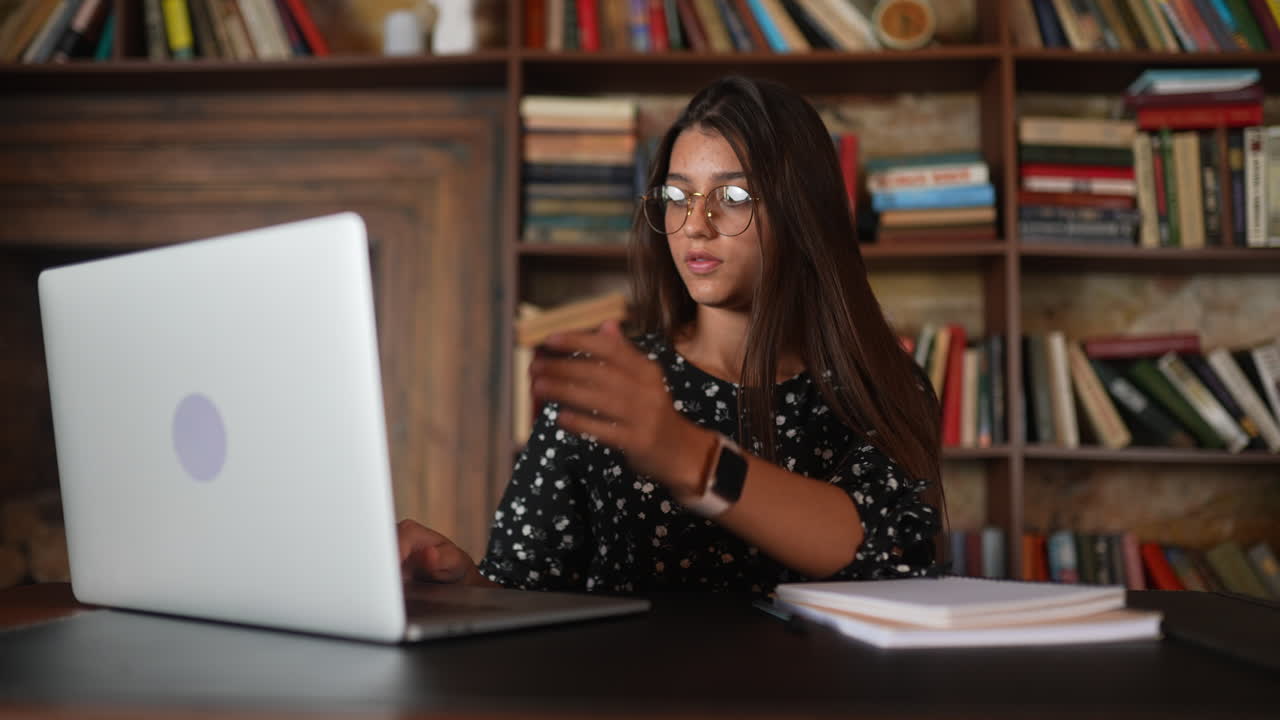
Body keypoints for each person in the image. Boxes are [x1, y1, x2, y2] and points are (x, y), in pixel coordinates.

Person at [398, 75, 944, 595]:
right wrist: (463, 583)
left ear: (804, 211)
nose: (695, 224)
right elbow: (521, 592)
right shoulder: (609, 382)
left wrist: (685, 454)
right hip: (628, 692)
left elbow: (890, 550)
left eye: (731, 197)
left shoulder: (879, 385)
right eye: (677, 197)